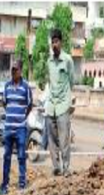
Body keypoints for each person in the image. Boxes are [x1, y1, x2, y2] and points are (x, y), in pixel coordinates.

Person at [45, 29, 75, 177]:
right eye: (52, 42)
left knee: (64, 139)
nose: (54, 45)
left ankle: (66, 168)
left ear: (61, 42)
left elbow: (72, 81)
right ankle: (56, 167)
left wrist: (69, 101)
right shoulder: (49, 62)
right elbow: (50, 82)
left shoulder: (68, 60)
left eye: (56, 42)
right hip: (51, 106)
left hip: (63, 105)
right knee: (51, 139)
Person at [0, 60, 33, 195]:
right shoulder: (7, 86)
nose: (13, 72)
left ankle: (22, 183)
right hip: (8, 128)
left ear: (20, 71)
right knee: (6, 156)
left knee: (21, 156)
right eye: (12, 70)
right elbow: (4, 103)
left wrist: (22, 118)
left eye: (16, 70)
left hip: (20, 128)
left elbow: (30, 105)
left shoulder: (26, 87)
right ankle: (5, 183)